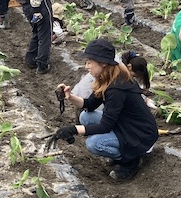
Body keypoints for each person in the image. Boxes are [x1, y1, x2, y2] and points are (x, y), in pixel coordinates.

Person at [52, 39, 159, 182]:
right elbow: (89, 104)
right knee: (86, 116)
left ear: (102, 63)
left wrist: (73, 129)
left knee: (94, 143)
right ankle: (121, 152)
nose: (87, 66)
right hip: (126, 125)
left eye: (90, 62)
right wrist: (69, 96)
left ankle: (131, 161)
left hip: (140, 134)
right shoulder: (108, 77)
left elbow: (105, 126)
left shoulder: (116, 88)